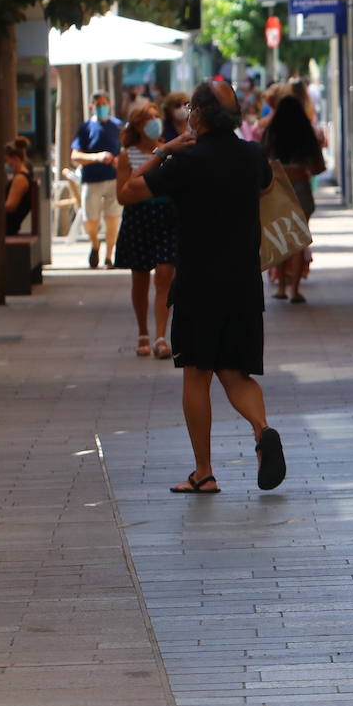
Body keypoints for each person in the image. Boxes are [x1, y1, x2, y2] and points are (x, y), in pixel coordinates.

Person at [118, 79, 286, 496]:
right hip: (244, 282)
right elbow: (266, 186)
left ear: (199, 115)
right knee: (235, 371)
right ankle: (263, 431)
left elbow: (128, 193)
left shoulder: (187, 160)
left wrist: (162, 151)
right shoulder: (250, 154)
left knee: (197, 374)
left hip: (197, 284)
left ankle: (204, 472)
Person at [114, 102, 178, 359]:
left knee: (164, 274)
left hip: (166, 217)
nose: (154, 122)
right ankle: (143, 331)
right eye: (148, 119)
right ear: (138, 125)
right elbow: (122, 196)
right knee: (139, 278)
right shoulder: (126, 156)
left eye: (156, 117)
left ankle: (161, 336)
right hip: (138, 218)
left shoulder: (169, 149)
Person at [263, 95, 326, 304]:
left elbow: (261, 160)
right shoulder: (306, 133)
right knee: (299, 239)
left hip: (277, 187)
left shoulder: (271, 133)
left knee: (279, 236)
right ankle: (295, 290)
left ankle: (281, 286)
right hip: (300, 186)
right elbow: (319, 167)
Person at [72, 91, 123, 268]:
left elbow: (126, 150)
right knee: (90, 220)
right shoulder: (85, 128)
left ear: (109, 105)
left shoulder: (118, 126)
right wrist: (97, 157)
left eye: (104, 104)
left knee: (112, 218)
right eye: (98, 104)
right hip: (91, 179)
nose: (101, 107)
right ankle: (95, 244)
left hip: (113, 179)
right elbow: (75, 156)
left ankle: (109, 256)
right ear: (92, 106)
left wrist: (119, 161)